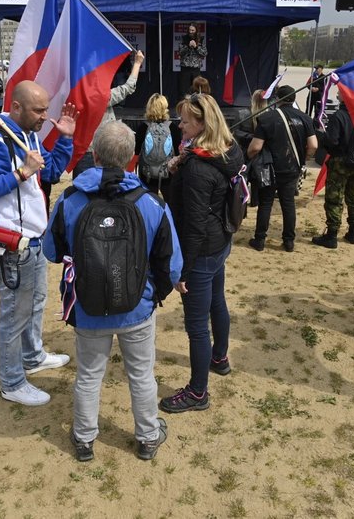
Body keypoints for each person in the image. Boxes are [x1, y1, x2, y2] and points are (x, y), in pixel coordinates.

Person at [44, 121, 182, 461]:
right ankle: (148, 436)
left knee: (89, 375)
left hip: (88, 309)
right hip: (137, 308)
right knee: (141, 375)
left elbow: (50, 250)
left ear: (94, 155)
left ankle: (84, 438)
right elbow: (173, 265)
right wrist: (153, 295)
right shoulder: (151, 203)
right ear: (132, 159)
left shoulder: (70, 199)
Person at [0, 80, 76, 406]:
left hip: (34, 241)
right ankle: (12, 382)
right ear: (16, 107)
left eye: (46, 109)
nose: (46, 116)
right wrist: (21, 173)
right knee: (14, 314)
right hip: (13, 245)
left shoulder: (28, 136)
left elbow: (52, 171)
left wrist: (65, 139)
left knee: (35, 304)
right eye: (39, 110)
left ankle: (32, 355)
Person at [160, 93, 244, 413]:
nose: (179, 126)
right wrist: (178, 164)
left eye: (184, 121)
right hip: (220, 240)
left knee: (196, 324)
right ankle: (219, 357)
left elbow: (192, 225)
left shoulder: (197, 167)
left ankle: (198, 392)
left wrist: (182, 273)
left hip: (202, 248)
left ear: (201, 124)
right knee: (217, 301)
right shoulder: (227, 149)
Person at [246, 85, 318, 252]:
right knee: (288, 203)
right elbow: (313, 145)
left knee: (266, 203)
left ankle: (260, 240)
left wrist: (248, 157)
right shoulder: (305, 118)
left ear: (277, 99)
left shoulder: (267, 118)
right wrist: (304, 158)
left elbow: (255, 147)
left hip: (270, 169)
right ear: (293, 99)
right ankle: (289, 241)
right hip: (292, 168)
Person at [72, 51, 144, 177]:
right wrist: (137, 64)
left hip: (81, 153)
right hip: (100, 153)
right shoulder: (99, 98)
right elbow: (128, 87)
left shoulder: (74, 96)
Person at [312, 87, 354, 248]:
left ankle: (332, 235)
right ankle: (353, 232)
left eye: (341, 91)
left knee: (335, 198)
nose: (338, 92)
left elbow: (332, 141)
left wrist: (322, 137)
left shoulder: (339, 116)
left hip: (340, 162)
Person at [134, 93, 176, 198]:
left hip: (147, 173)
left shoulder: (143, 127)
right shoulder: (173, 128)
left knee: (148, 202)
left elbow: (136, 150)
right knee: (169, 203)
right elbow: (178, 152)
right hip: (167, 173)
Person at [178, 24, 207, 97]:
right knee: (184, 90)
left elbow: (204, 53)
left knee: (196, 89)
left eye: (193, 30)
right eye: (189, 30)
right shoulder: (184, 39)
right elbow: (180, 52)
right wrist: (188, 46)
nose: (191, 32)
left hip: (196, 68)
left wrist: (196, 47)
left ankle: (195, 106)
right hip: (185, 68)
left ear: (196, 31)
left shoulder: (201, 39)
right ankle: (184, 106)